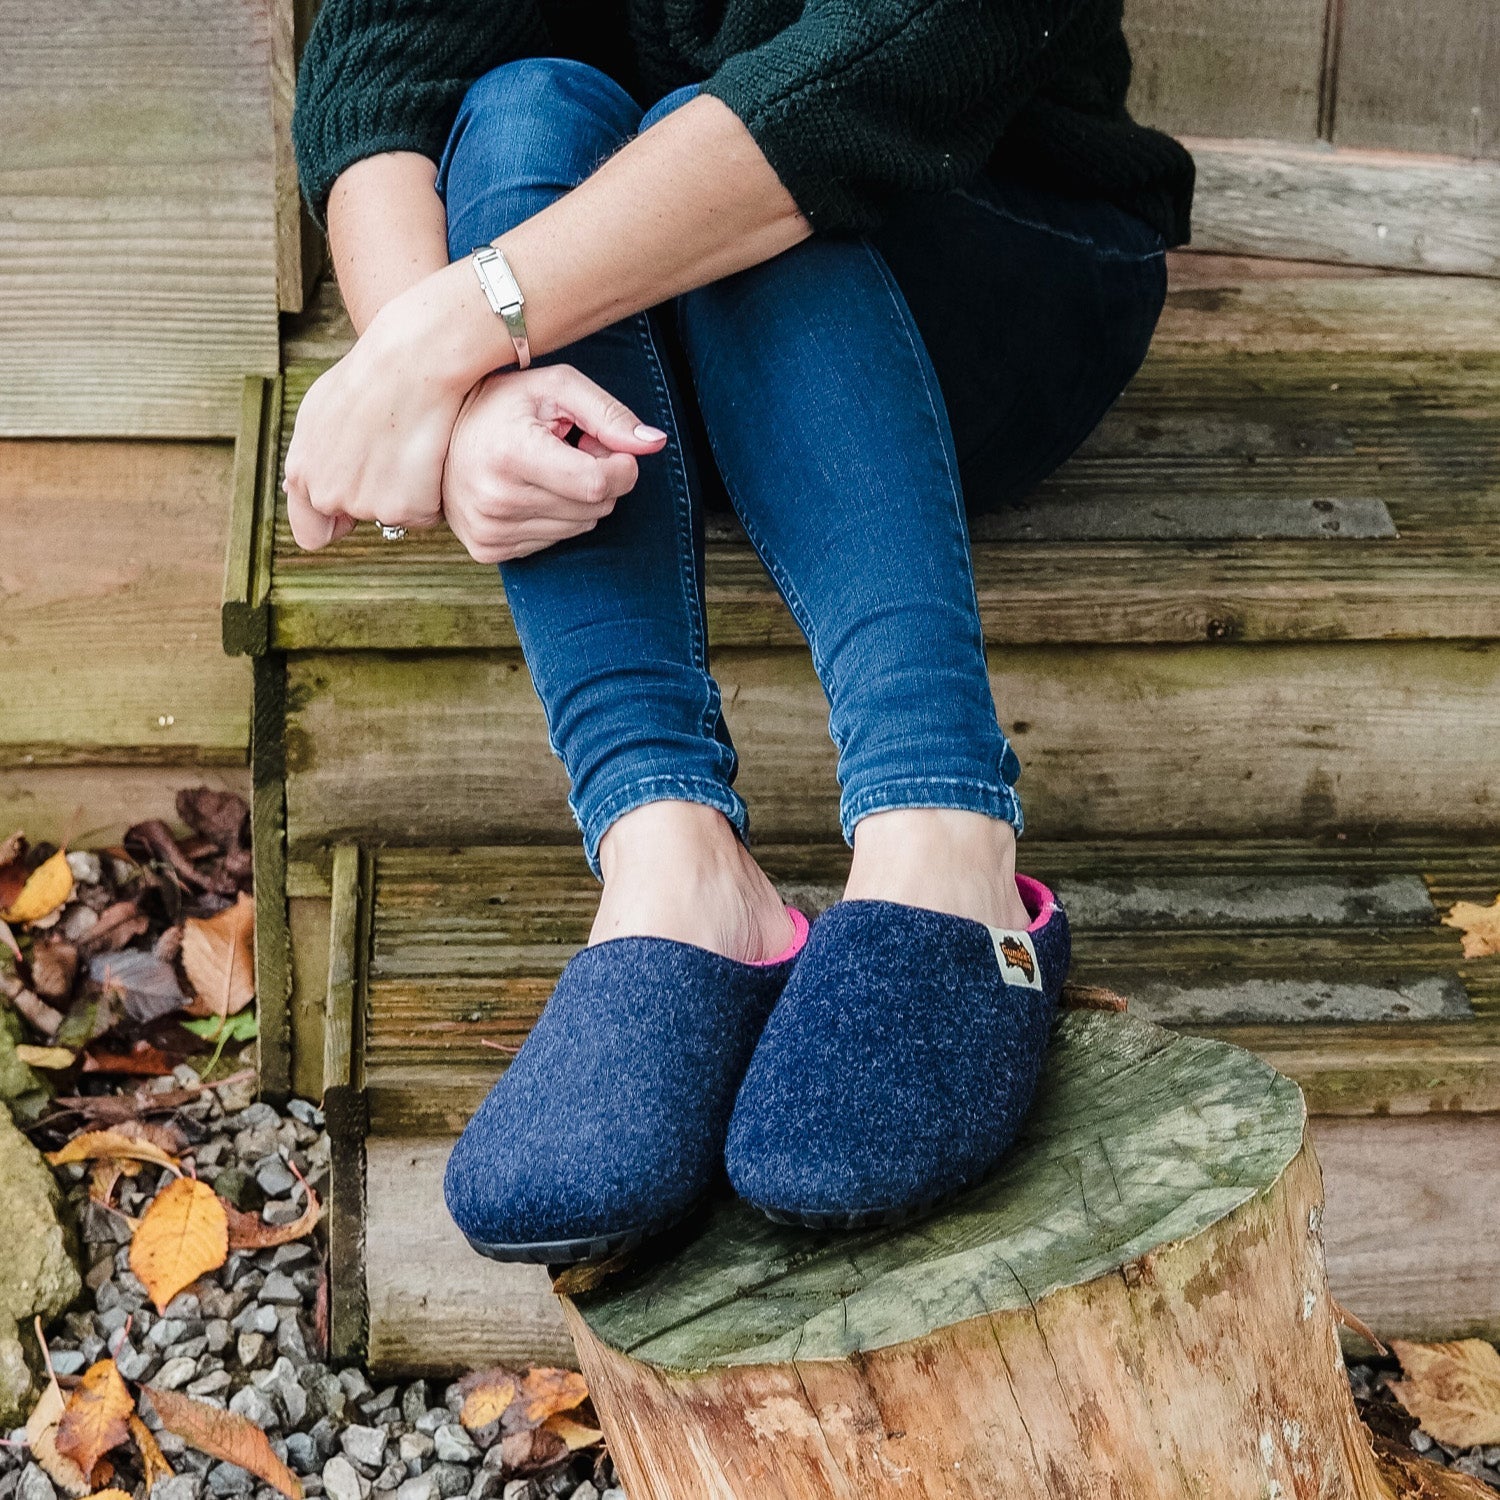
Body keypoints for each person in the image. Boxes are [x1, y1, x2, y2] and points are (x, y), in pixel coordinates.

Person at [287, 0, 1193, 1262]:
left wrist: (446, 333)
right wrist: (449, 394)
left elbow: (892, 58)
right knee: (525, 108)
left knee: (753, 140)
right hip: (624, 352)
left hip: (984, 276)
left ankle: (942, 833)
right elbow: (380, 73)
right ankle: (670, 861)